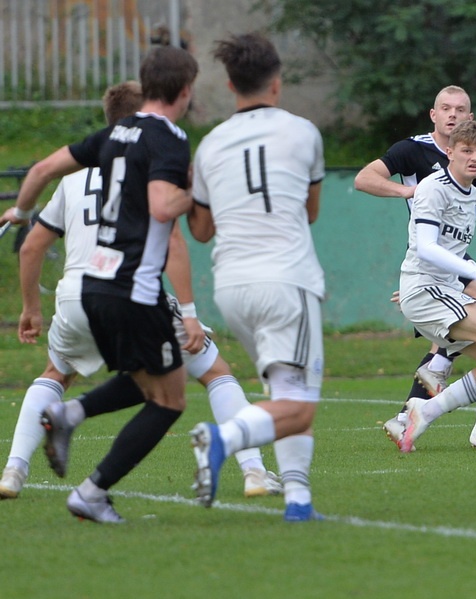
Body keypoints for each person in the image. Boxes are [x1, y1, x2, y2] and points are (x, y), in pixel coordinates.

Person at [0, 82, 281, 501]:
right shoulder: (152, 171)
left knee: (56, 373)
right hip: (128, 291)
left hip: (77, 297)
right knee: (212, 372)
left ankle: (13, 472)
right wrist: (187, 309)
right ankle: (254, 472)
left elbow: (34, 246)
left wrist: (30, 308)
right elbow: (171, 242)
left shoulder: (74, 181)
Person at [1, 46, 198, 523]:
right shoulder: (169, 139)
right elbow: (160, 207)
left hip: (94, 287)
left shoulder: (114, 134)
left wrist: (22, 212)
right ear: (186, 91)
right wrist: (201, 192)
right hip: (135, 289)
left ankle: (71, 414)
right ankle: (91, 491)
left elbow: (44, 169)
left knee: (149, 381)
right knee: (170, 400)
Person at [186, 32, 326, 522]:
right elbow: (310, 211)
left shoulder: (209, 145)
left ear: (229, 84)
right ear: (277, 83)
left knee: (284, 394)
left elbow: (200, 231)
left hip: (231, 286)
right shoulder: (303, 131)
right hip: (286, 278)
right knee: (299, 405)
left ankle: (299, 501)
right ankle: (220, 437)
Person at [354, 85, 476, 447]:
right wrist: (409, 191)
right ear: (434, 114)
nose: (453, 114)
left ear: (470, 119)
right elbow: (363, 179)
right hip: (430, 256)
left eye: (460, 109)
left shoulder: (471, 164)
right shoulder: (414, 152)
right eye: (446, 108)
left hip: (446, 259)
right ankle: (441, 364)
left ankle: (411, 412)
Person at [396, 120, 476, 453]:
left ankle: (427, 409)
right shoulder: (434, 187)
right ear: (449, 151)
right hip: (426, 290)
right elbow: (426, 247)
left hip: (442, 291)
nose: (475, 157)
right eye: (467, 150)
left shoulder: (471, 190)